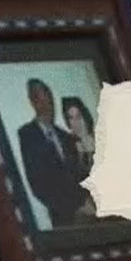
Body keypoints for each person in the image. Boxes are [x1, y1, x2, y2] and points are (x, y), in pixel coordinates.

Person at [17, 78, 87, 227]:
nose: (47, 105)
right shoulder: (28, 135)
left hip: (86, 213)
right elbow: (37, 183)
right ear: (33, 102)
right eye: (40, 100)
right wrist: (70, 209)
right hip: (63, 218)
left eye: (49, 99)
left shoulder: (65, 137)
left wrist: (84, 203)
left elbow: (77, 173)